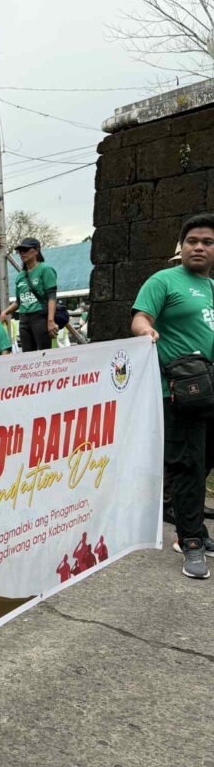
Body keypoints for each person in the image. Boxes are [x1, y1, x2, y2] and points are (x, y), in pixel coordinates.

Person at [132, 213, 214, 580]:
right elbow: (140, 319)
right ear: (181, 246)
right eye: (192, 241)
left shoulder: (211, 287)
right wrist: (145, 331)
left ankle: (195, 527)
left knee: (205, 461)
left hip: (211, 389)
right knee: (188, 466)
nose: (199, 247)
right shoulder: (163, 281)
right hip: (180, 392)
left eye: (207, 242)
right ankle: (190, 541)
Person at [0, 238, 58, 352]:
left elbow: (52, 296)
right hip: (24, 318)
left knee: (46, 353)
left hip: (40, 317)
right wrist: (5, 312)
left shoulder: (45, 269)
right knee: (27, 354)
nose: (22, 253)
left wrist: (50, 321)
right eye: (20, 251)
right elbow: (19, 301)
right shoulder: (20, 276)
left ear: (36, 250)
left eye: (26, 250)